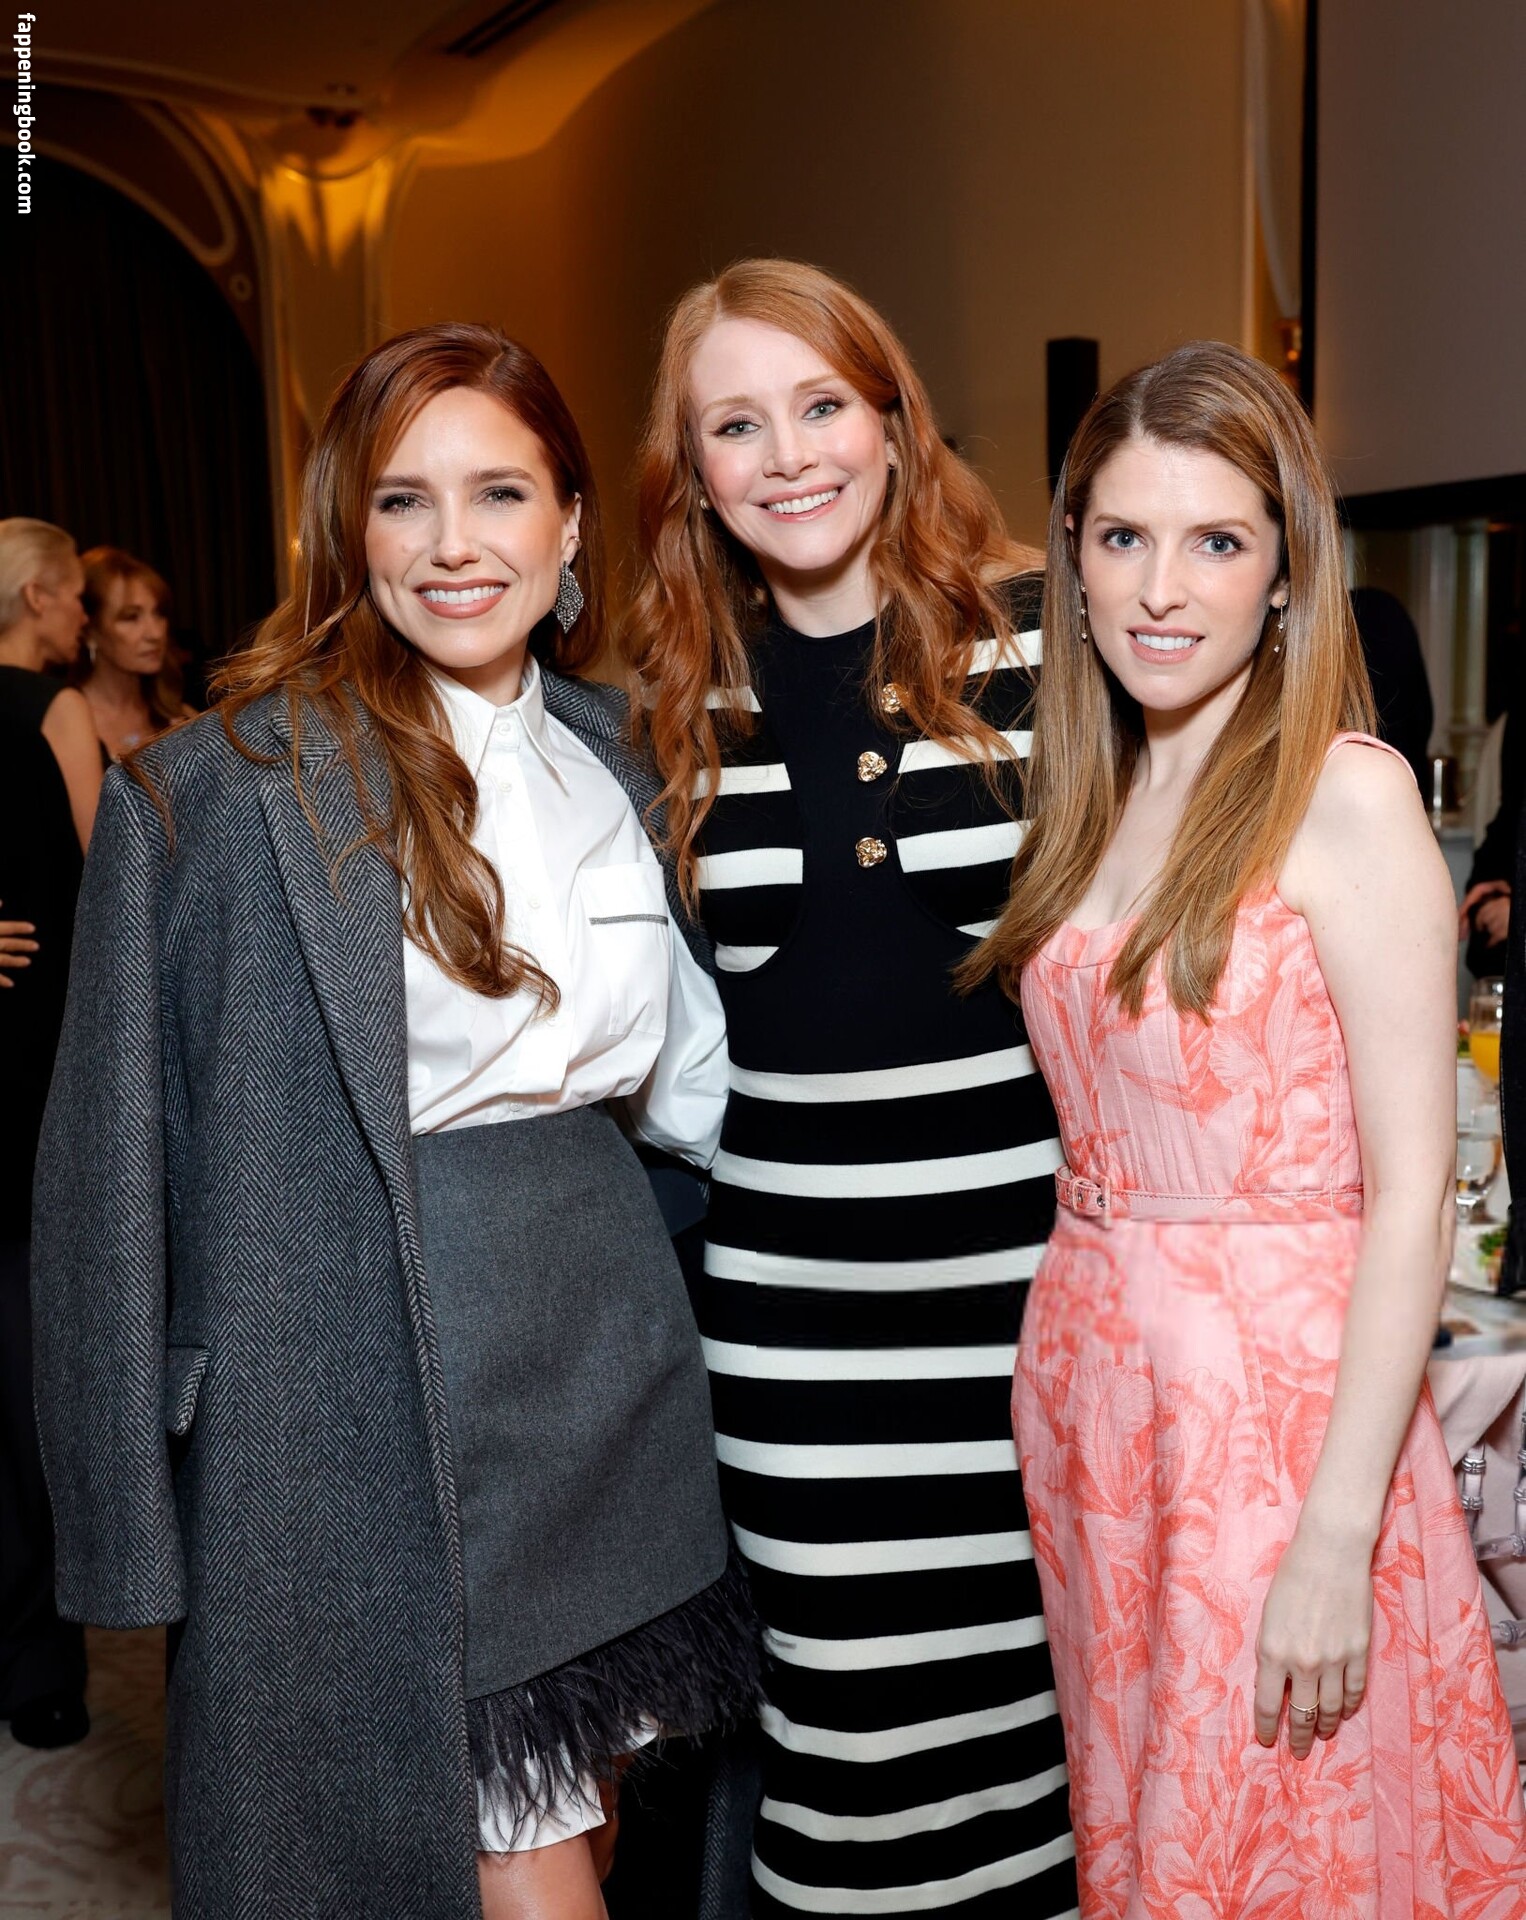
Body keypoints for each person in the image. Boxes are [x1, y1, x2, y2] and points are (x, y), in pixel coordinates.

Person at [32, 325, 759, 1920]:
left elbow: (706, 1085)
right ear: (346, 532)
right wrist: (119, 1532)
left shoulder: (634, 757)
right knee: (508, 1854)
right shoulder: (218, 796)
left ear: (570, 522)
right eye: (402, 499)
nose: (452, 544)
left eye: (498, 492)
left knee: (592, 1822)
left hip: (622, 1383)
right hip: (361, 1410)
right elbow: (104, 1184)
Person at [971, 340, 1526, 1913]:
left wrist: (1337, 1536)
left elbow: (1410, 1190)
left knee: (1268, 1842)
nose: (1161, 590)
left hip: (1275, 1427)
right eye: (1121, 537)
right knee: (1147, 1830)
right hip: (1099, 1406)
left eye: (1214, 541)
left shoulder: (1341, 794)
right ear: (1071, 556)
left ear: (1285, 571)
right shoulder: (1091, 792)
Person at [625, 260, 1077, 1917]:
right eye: (736, 424)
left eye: (821, 404)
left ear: (891, 419)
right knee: (847, 1748)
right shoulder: (670, 695)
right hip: (794, 1324)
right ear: (692, 469)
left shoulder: (1050, 638)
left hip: (1024, 1303)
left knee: (1041, 1736)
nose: (789, 454)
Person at [0, 517, 98, 1750]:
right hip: (32, 1062)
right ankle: (39, 1664)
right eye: (74, 596)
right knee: (31, 1365)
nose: (81, 617)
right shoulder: (53, 710)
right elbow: (111, 888)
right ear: (37, 598)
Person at [75, 545, 196, 761]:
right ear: (89, 631)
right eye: (131, 617)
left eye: (159, 614)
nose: (155, 633)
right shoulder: (66, 720)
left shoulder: (180, 716)